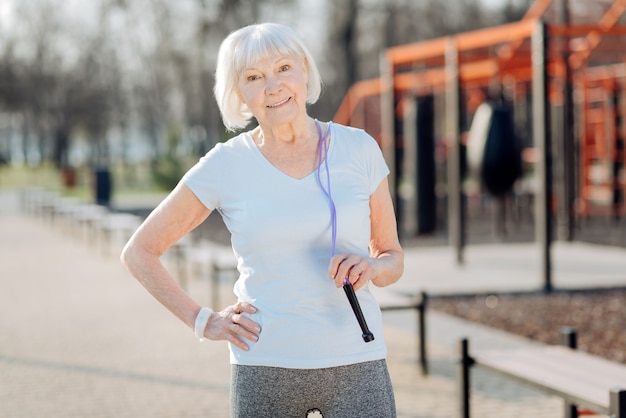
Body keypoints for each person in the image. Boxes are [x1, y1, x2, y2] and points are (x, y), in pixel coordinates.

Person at [121, 22, 404, 418]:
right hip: (263, 366)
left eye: (284, 68)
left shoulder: (359, 148)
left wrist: (373, 266)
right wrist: (203, 321)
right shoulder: (225, 164)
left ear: (304, 71)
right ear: (239, 94)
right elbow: (139, 252)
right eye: (254, 77)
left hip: (358, 361)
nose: (274, 86)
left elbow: (392, 259)